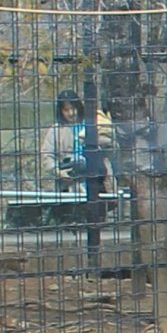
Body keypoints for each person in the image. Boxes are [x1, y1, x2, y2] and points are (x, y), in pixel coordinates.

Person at [49, 89, 117, 271]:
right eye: (66, 110)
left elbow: (110, 143)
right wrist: (56, 171)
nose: (70, 113)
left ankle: (99, 217)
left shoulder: (93, 123)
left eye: (72, 108)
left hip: (95, 169)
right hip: (70, 171)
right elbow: (46, 155)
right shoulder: (56, 130)